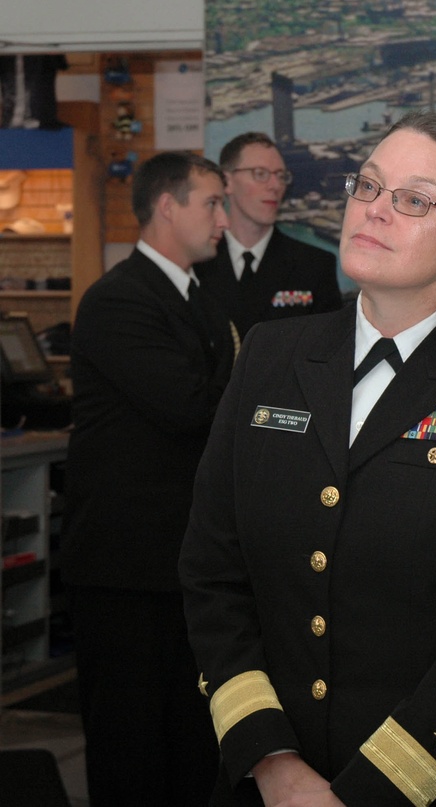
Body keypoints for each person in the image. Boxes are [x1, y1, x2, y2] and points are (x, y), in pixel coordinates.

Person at [179, 111, 436, 806]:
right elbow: (213, 571)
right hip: (267, 782)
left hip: (430, 783)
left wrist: (365, 792)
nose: (375, 211)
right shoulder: (272, 356)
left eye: (414, 200)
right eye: (368, 186)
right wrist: (272, 760)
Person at [62, 151, 234, 806]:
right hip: (125, 569)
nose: (223, 217)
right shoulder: (118, 300)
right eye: (211, 202)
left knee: (190, 741)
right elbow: (190, 405)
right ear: (167, 205)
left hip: (178, 563)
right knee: (131, 749)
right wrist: (250, 377)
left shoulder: (197, 296)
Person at [194, 132, 343, 340]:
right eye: (260, 174)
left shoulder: (313, 266)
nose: (275, 186)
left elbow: (328, 351)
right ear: (226, 182)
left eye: (281, 176)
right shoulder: (197, 262)